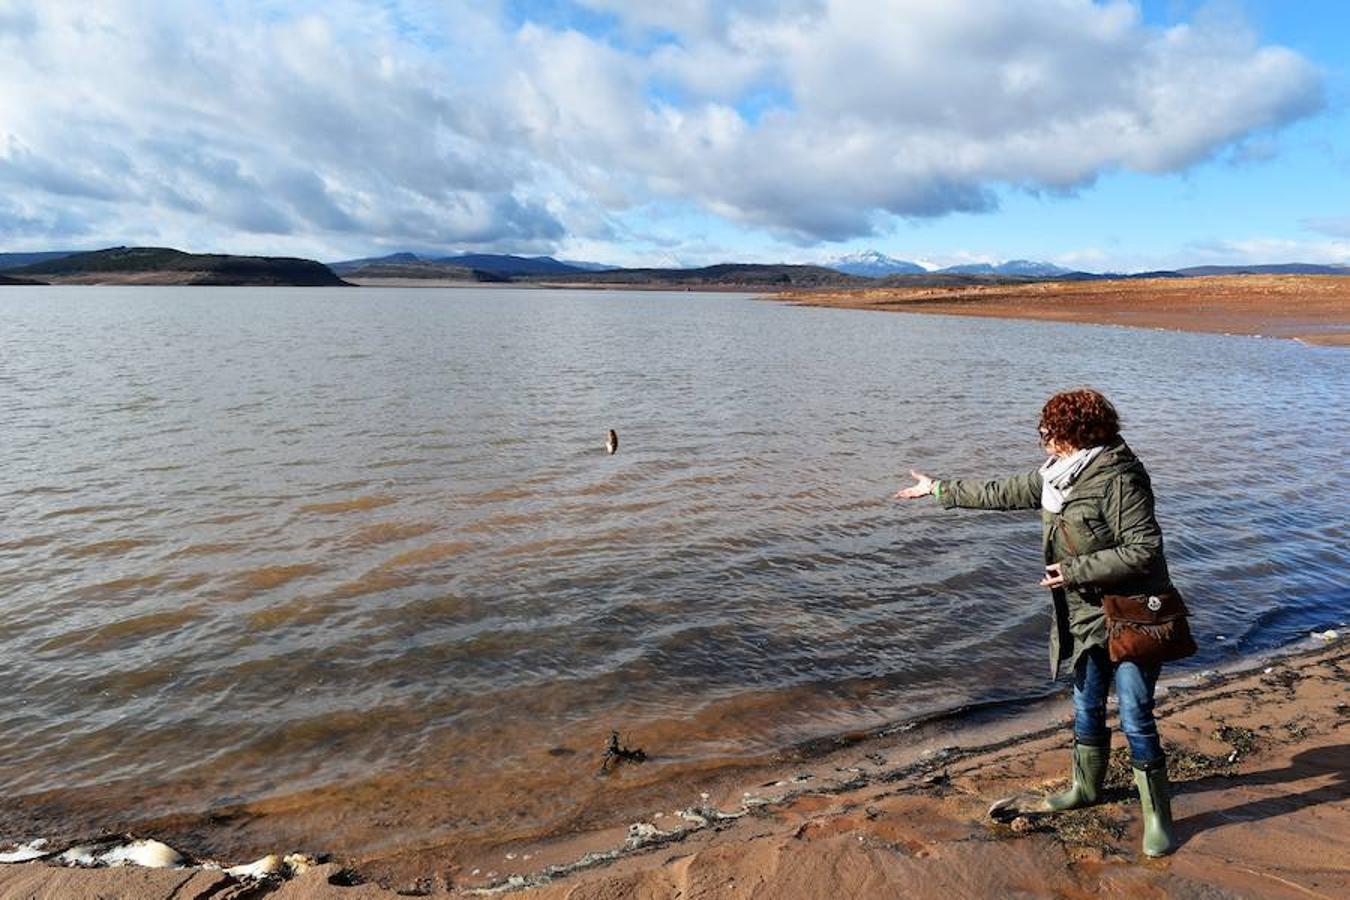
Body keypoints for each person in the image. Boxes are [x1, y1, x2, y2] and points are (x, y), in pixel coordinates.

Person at [895, 387, 1180, 857]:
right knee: (1087, 706)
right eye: (1043, 429)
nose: (1043, 437)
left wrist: (1073, 571)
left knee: (1135, 715)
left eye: (1049, 429)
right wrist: (939, 489)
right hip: (1084, 614)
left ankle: (1158, 819)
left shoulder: (1120, 477)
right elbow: (1000, 492)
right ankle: (1084, 790)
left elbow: (1144, 549)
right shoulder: (1058, 476)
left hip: (1132, 612)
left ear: (1077, 432)